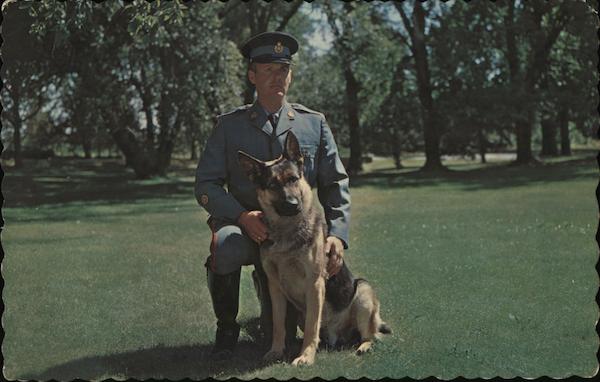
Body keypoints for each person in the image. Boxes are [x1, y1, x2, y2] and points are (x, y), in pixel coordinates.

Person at [195, 31, 351, 360]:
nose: (276, 78)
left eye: (283, 70)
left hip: (296, 234)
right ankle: (226, 327)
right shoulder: (228, 126)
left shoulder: (313, 124)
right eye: (268, 70)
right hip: (248, 227)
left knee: (273, 337)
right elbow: (206, 184)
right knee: (224, 246)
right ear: (252, 75)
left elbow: (335, 182)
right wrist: (241, 216)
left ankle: (269, 298)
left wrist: (337, 235)